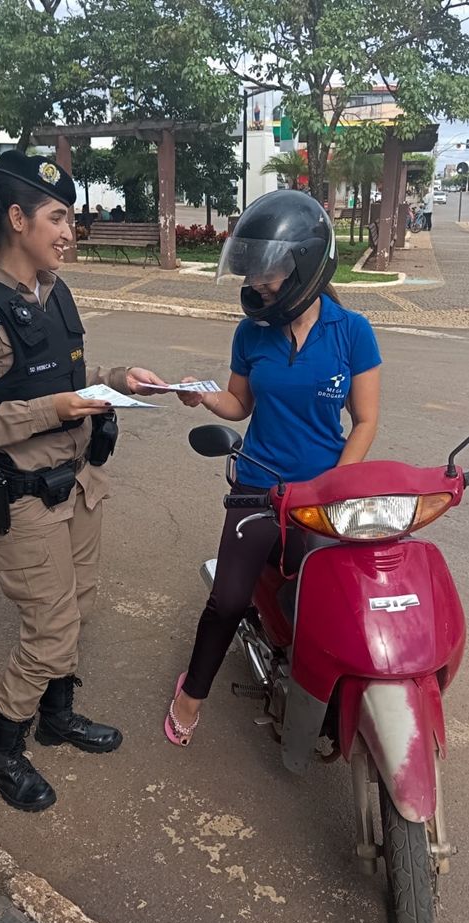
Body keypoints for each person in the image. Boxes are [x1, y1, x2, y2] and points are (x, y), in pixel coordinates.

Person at [0, 151, 166, 810]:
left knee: (79, 605)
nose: (69, 230)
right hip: (25, 495)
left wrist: (120, 381)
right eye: (58, 216)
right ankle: (0, 753)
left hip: (79, 483)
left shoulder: (53, 289)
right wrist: (52, 412)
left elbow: (68, 379)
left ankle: (57, 717)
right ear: (17, 218)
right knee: (49, 628)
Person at [165, 189, 382, 746]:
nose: (259, 283)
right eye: (254, 272)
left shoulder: (352, 331)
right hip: (258, 488)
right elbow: (240, 405)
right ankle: (192, 691)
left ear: (306, 266)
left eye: (270, 273)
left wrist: (334, 486)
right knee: (229, 601)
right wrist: (204, 396)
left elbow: (364, 421)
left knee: (335, 601)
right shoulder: (250, 334)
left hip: (323, 495)